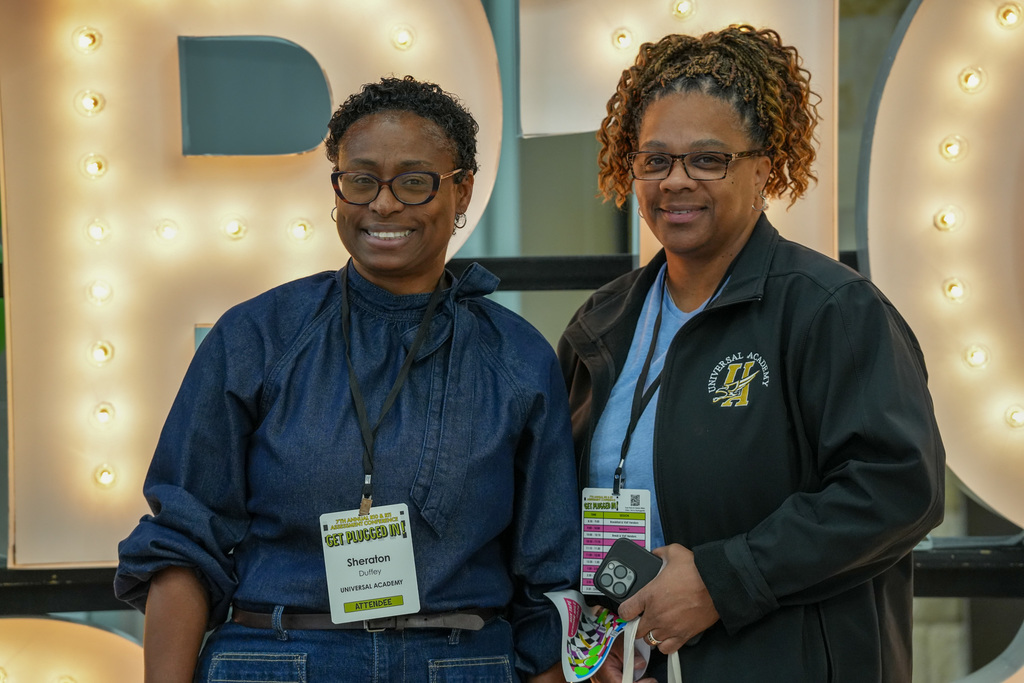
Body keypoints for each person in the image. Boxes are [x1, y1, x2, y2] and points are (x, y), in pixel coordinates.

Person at [116, 75, 579, 682]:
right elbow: (183, 540)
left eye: (414, 182)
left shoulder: (517, 358)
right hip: (276, 661)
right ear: (336, 188)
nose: (383, 205)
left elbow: (548, 579)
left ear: (462, 189)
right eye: (360, 180)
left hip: (461, 663)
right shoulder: (257, 336)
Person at [558, 26, 945, 682]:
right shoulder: (602, 322)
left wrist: (720, 580)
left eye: (707, 159)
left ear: (764, 166)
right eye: (655, 160)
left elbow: (897, 485)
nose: (675, 182)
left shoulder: (832, 310)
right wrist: (588, 634)